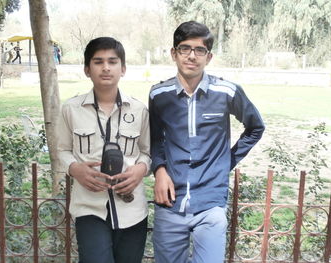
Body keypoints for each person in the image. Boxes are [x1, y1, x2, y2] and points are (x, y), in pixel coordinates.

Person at [149, 21, 265, 263]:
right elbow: (155, 137)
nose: (192, 56)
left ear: (209, 57)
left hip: (210, 203)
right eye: (185, 48)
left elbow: (255, 127)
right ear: (174, 53)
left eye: (199, 50)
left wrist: (226, 161)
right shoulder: (158, 95)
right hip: (170, 202)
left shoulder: (227, 92)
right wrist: (159, 169)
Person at [57, 37, 151, 263]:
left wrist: (140, 169)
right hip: (89, 206)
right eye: (98, 62)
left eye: (112, 61)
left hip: (132, 208)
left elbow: (148, 152)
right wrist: (74, 169)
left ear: (123, 69)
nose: (106, 67)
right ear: (87, 70)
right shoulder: (71, 109)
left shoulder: (139, 110)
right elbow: (62, 149)